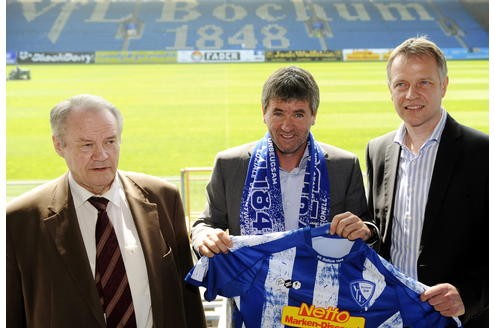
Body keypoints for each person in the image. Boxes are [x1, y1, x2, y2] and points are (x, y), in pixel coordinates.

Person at [6, 94, 207, 328]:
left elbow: (187, 301)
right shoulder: (20, 220)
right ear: (59, 145)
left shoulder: (163, 197)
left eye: (110, 141)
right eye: (87, 145)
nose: (101, 155)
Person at [191, 66, 378, 258]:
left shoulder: (345, 166)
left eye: (298, 114)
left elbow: (365, 227)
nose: (287, 126)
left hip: (318, 287)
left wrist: (365, 230)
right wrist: (205, 236)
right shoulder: (228, 165)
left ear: (313, 115)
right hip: (248, 287)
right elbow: (206, 224)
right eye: (278, 113)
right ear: (264, 112)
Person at [366, 36, 488, 327]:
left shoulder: (482, 152)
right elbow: (378, 228)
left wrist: (470, 295)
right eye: (401, 84)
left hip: (455, 319)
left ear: (444, 86)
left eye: (424, 82)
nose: (411, 94)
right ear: (390, 90)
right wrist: (365, 231)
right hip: (392, 314)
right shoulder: (378, 150)